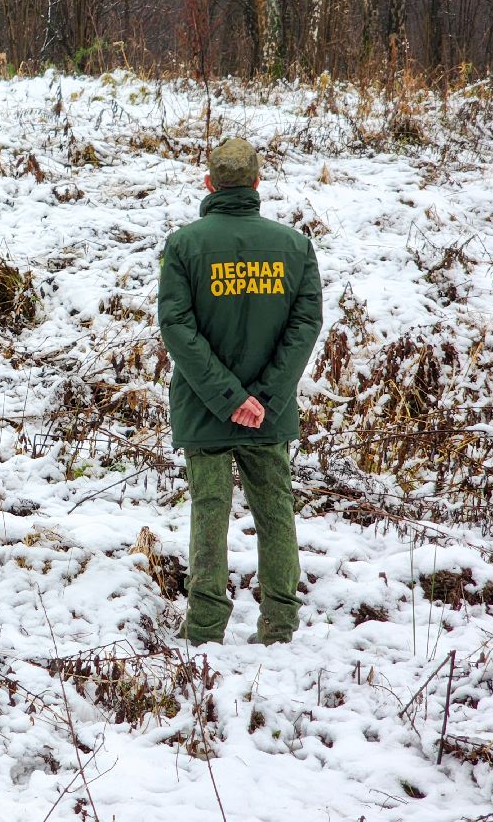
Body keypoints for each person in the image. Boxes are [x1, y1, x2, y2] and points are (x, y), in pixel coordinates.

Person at [157, 138, 323, 645]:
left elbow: (176, 327)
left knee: (209, 510)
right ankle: (280, 622)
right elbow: (306, 325)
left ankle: (205, 626)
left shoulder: (184, 245)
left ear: (209, 184)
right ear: (256, 183)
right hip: (266, 414)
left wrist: (229, 398)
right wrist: (263, 398)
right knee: (275, 511)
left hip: (205, 408)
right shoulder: (295, 246)